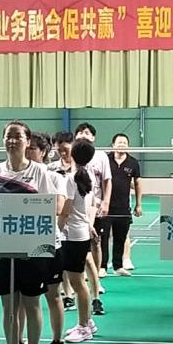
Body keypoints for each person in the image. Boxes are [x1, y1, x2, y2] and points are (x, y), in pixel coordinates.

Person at [0, 121, 57, 344]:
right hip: (2, 249)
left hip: (32, 249)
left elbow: (50, 208)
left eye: (18, 136)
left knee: (32, 304)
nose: (12, 140)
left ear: (27, 142)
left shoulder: (40, 171)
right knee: (9, 308)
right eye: (8, 136)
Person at [26, 131, 68, 344]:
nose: (27, 152)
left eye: (32, 148)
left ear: (43, 152)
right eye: (26, 147)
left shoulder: (55, 178)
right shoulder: (17, 177)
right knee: (24, 301)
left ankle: (57, 341)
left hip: (49, 244)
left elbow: (57, 208)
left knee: (53, 296)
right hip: (24, 246)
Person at [60, 140, 101, 344]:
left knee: (77, 283)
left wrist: (56, 229)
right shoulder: (88, 176)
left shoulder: (71, 179)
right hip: (82, 233)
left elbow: (66, 210)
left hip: (72, 235)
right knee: (79, 281)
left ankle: (83, 326)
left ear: (72, 155)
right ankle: (88, 321)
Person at [74, 123, 112, 294]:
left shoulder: (101, 156)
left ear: (93, 137)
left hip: (94, 206)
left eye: (87, 132)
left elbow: (107, 180)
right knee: (76, 244)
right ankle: (76, 280)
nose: (83, 134)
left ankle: (96, 281)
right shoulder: (72, 154)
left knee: (95, 242)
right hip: (76, 206)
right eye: (80, 132)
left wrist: (105, 202)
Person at [103, 133, 142, 277]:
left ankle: (118, 266)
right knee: (103, 238)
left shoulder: (133, 163)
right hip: (106, 207)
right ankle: (102, 267)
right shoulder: (105, 160)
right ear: (113, 145)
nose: (122, 145)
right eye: (119, 142)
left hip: (123, 207)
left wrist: (138, 204)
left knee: (120, 238)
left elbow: (137, 183)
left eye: (124, 142)